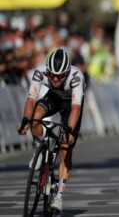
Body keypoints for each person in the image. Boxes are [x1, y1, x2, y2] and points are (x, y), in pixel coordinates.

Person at [17, 48, 85, 213]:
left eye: (60, 76)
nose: (55, 78)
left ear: (67, 72)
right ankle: (39, 149)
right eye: (52, 75)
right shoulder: (40, 73)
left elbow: (76, 109)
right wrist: (25, 120)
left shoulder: (76, 77)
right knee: (35, 117)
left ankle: (58, 197)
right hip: (53, 98)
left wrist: (69, 131)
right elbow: (31, 100)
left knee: (65, 149)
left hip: (71, 105)